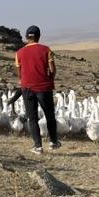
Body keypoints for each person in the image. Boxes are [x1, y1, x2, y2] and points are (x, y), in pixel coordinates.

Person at [15, 25, 59, 155]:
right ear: (39, 37)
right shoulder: (46, 50)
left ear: (26, 37)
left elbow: (20, 72)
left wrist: (24, 82)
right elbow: (52, 69)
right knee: (49, 115)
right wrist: (50, 78)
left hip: (27, 88)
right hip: (44, 87)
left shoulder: (19, 53)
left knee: (32, 117)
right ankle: (53, 142)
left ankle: (38, 146)